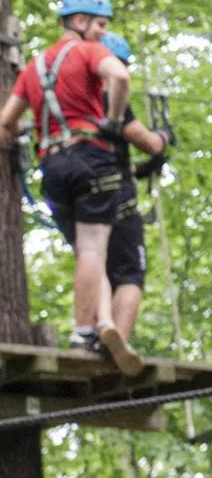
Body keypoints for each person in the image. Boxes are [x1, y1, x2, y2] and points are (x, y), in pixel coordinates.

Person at [0, 0, 134, 369]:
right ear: (79, 20)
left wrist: (38, 125)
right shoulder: (91, 52)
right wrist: (113, 121)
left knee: (84, 249)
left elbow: (7, 120)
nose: (103, 33)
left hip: (53, 166)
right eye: (100, 25)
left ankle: (102, 320)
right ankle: (84, 330)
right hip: (91, 157)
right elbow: (120, 77)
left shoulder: (34, 66)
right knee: (93, 249)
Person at [88, 31, 171, 346]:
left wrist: (140, 170)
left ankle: (96, 332)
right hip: (118, 198)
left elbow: (105, 153)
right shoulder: (112, 99)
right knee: (129, 273)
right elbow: (147, 142)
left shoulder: (74, 103)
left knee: (94, 261)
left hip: (85, 195)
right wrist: (162, 137)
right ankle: (116, 343)